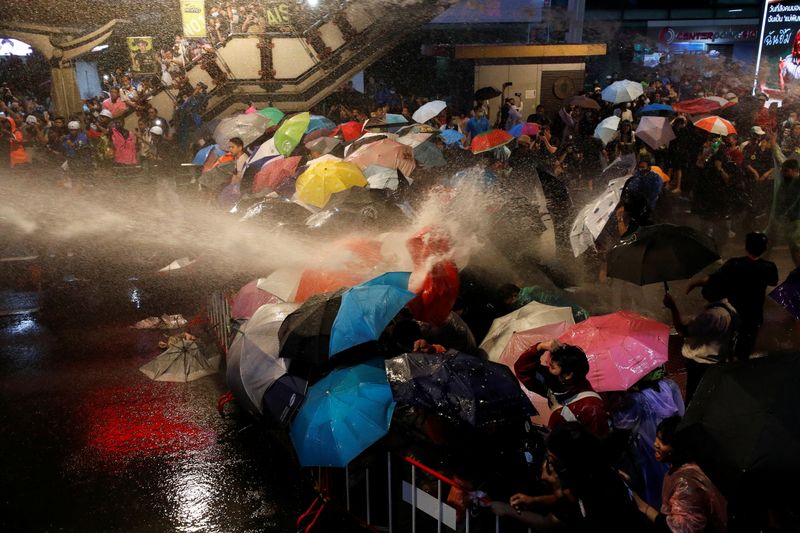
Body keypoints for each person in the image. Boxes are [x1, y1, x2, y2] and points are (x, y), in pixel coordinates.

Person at [491, 422, 647, 531]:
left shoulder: (596, 498)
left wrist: (505, 510)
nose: (545, 472)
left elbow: (549, 522)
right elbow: (564, 498)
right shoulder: (595, 473)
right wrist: (533, 500)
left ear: (569, 466)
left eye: (551, 462)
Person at [687, 232, 778, 359]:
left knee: (728, 344)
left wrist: (694, 284)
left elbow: (714, 278)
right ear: (764, 248)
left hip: (733, 312)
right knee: (745, 347)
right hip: (754, 315)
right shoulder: (769, 267)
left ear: (746, 247)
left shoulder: (735, 264)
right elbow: (774, 281)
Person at [632, 416, 728, 532]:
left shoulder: (688, 484)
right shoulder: (686, 464)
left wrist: (644, 507)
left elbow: (680, 529)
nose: (655, 444)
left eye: (664, 442)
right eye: (657, 437)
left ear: (678, 447)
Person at [663, 279, 739, 403]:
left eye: (708, 286)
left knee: (694, 400)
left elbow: (683, 330)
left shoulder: (712, 315)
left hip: (700, 365)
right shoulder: (730, 310)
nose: (703, 289)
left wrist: (673, 307)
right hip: (715, 362)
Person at [514, 340, 609, 437]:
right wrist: (540, 347)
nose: (550, 360)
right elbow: (522, 370)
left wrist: (558, 413)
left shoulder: (592, 408)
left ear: (568, 374)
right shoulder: (553, 381)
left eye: (555, 363)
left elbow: (595, 446)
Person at [767, 139, 800, 266]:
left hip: (796, 219)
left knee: (795, 246)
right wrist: (774, 143)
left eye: (785, 171)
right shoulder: (786, 179)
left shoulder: (798, 181)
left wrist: (787, 213)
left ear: (794, 170)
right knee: (792, 246)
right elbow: (781, 159)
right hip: (786, 218)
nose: (781, 172)